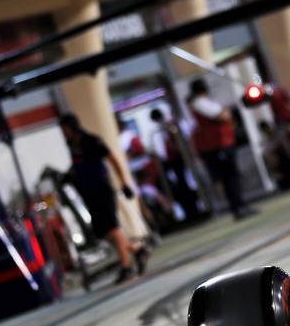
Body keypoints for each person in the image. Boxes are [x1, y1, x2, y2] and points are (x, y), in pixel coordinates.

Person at [59, 113, 148, 283]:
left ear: (72, 127)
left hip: (102, 189)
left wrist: (124, 183)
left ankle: (127, 267)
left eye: (64, 129)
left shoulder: (92, 140)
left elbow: (113, 159)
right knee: (101, 232)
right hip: (88, 193)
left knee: (112, 228)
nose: (63, 132)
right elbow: (79, 164)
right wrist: (69, 175)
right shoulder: (71, 144)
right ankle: (136, 250)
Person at [187, 79, 254, 219]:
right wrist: (226, 112)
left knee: (231, 177)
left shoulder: (200, 103)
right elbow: (223, 116)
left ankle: (240, 205)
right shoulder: (201, 103)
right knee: (229, 177)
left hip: (220, 144)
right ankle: (238, 207)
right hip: (218, 145)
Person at [148, 108, 203, 223]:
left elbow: (160, 150)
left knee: (183, 184)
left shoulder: (167, 127)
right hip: (176, 160)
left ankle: (193, 208)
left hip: (175, 160)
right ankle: (191, 209)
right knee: (182, 184)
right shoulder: (165, 128)